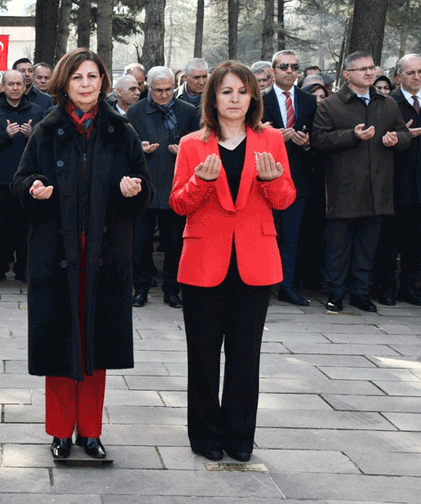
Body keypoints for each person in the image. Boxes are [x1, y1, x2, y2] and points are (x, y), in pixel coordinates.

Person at [11, 47, 153, 460]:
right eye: (78, 78)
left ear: (103, 82)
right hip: (56, 255)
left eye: (92, 77)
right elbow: (19, 183)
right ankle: (59, 431)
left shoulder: (120, 131)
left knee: (96, 345)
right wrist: (34, 188)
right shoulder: (45, 129)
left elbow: (143, 189)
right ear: (64, 83)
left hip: (104, 255)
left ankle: (90, 431)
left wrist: (134, 191)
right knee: (60, 345)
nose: (86, 84)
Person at [170, 61, 296, 462]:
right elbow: (178, 204)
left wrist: (271, 179)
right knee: (203, 356)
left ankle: (240, 436)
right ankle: (205, 435)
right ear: (213, 98)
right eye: (226, 91)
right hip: (204, 262)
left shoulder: (271, 140)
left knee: (246, 355)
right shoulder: (192, 144)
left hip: (254, 262)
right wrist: (200, 182)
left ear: (253, 97)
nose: (235, 99)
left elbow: (285, 199)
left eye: (242, 91)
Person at [311, 51, 410, 313]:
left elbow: (403, 134)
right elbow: (318, 141)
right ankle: (335, 294)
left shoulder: (387, 104)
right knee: (338, 248)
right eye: (362, 69)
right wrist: (351, 135)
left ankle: (360, 294)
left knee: (367, 248)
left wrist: (397, 140)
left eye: (371, 68)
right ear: (347, 75)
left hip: (377, 187)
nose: (369, 73)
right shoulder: (330, 105)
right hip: (342, 189)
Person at [127, 66, 199, 308]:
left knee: (175, 245)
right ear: (148, 87)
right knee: (140, 244)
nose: (164, 95)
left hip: (174, 186)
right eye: (158, 90)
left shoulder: (187, 111)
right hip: (145, 187)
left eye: (168, 90)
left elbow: (200, 144)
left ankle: (172, 290)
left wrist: (185, 152)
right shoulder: (135, 112)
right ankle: (141, 289)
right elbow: (123, 146)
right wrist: (139, 147)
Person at [261, 50, 318, 306]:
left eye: (294, 67)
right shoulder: (258, 99)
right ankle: (261, 285)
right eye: (284, 66)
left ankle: (287, 285)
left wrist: (307, 143)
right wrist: (271, 137)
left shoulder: (308, 101)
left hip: (298, 178)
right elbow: (250, 132)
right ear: (273, 71)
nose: (290, 71)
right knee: (266, 235)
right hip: (266, 176)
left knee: (291, 238)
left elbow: (318, 135)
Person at [0, 69, 44, 283]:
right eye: (11, 84)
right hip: (1, 180)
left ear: (25, 86)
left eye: (19, 84)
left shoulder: (36, 111)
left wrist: (30, 135)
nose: (15, 88)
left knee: (26, 228)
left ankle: (23, 268)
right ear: (3, 86)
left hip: (27, 180)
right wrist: (4, 136)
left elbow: (45, 146)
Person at [372, 54, 421, 305]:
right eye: (411, 72)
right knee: (390, 241)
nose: (416, 77)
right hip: (395, 181)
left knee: (415, 241)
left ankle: (410, 288)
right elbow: (379, 139)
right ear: (399, 76)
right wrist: (400, 137)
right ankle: (387, 287)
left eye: (420, 72)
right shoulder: (390, 103)